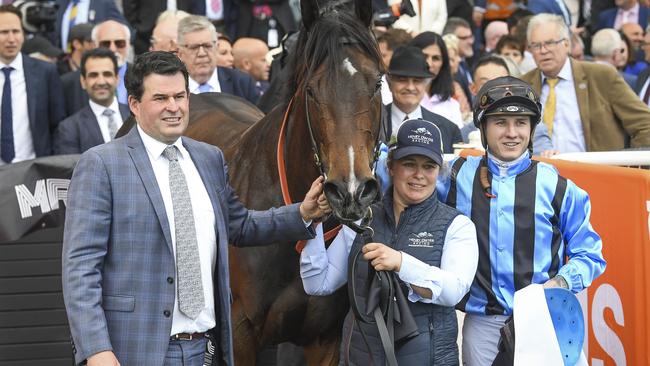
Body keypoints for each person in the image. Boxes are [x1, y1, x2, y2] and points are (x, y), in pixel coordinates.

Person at [62, 51, 328, 365]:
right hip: (133, 351)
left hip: (205, 349)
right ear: (134, 105)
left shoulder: (208, 158)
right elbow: (80, 268)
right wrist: (95, 349)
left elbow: (239, 225)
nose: (173, 107)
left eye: (180, 96)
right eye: (160, 98)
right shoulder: (101, 164)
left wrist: (301, 214)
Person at [436, 76, 606, 365]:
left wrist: (561, 282)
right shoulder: (456, 174)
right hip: (483, 324)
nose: (511, 133)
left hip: (545, 320)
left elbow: (590, 254)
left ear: (531, 128)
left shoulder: (559, 186)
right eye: (500, 122)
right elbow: (406, 178)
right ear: (483, 127)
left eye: (521, 123)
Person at [301, 118, 478, 365]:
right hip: (361, 357)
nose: (419, 175)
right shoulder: (363, 218)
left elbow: (454, 292)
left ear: (439, 171)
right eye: (409, 164)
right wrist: (314, 224)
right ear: (391, 166)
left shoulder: (457, 225)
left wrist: (401, 263)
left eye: (429, 166)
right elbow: (318, 284)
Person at [521, 13, 650, 152]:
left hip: (597, 171)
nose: (543, 50)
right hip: (544, 171)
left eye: (550, 43)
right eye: (535, 45)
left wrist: (632, 164)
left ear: (567, 44)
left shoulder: (601, 76)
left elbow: (644, 124)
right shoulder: (523, 86)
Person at [0, 5, 65, 164]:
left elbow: (58, 125)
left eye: (16, 31)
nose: (11, 39)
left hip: (33, 171)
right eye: (3, 32)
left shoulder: (45, 72)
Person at [382, 46, 462, 154]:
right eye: (402, 79)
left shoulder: (449, 130)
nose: (410, 87)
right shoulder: (370, 124)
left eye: (417, 80)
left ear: (426, 84)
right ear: (389, 82)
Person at [54, 48, 129, 154]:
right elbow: (72, 169)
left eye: (107, 74)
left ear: (117, 79)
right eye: (93, 75)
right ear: (83, 81)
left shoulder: (138, 117)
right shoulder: (69, 128)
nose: (101, 82)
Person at [177, 15, 258, 104]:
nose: (202, 53)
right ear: (180, 53)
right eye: (194, 47)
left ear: (216, 47)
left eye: (207, 46)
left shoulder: (241, 83)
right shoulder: (171, 86)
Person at [409, 32, 464, 129]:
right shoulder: (398, 96)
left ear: (443, 64)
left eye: (435, 58)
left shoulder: (452, 105)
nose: (429, 64)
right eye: (424, 56)